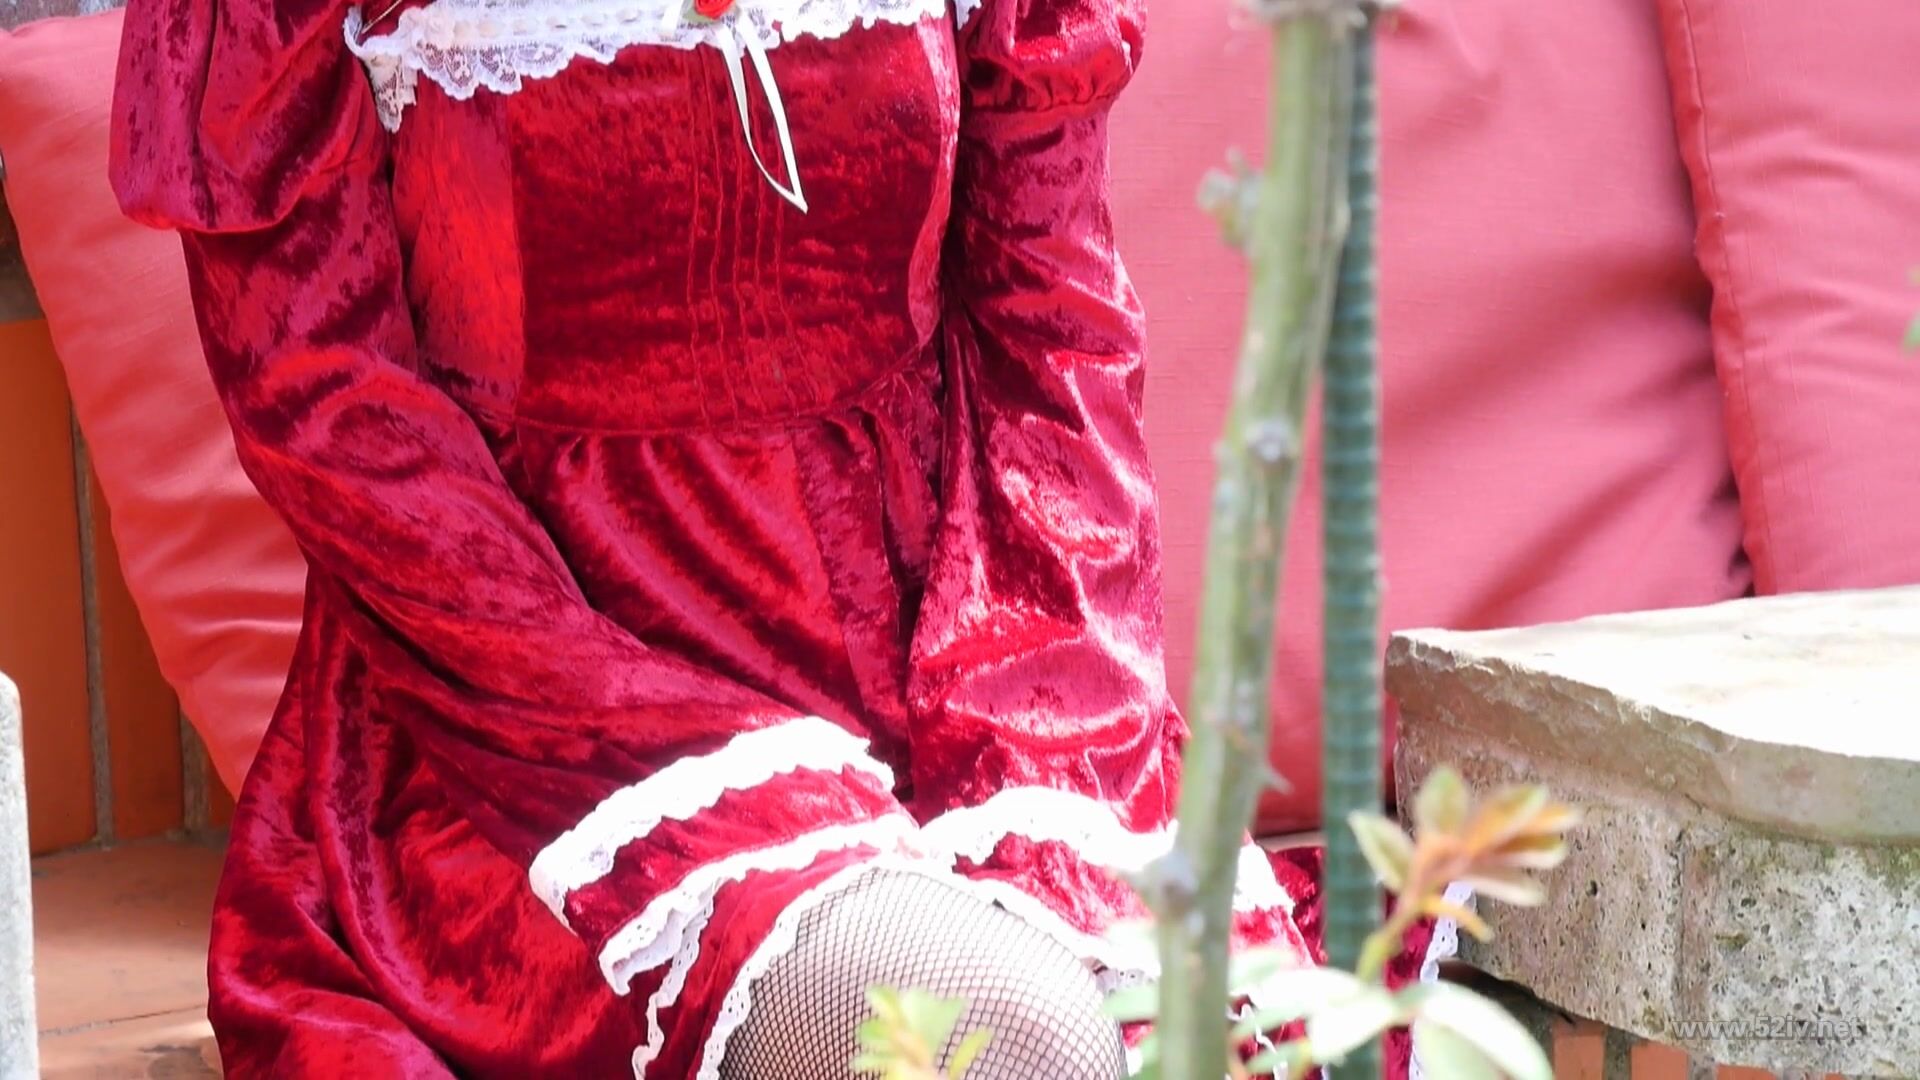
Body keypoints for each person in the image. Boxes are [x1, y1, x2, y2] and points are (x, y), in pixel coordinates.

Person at [111, 0, 1420, 1075]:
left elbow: (1055, 345)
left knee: (1140, 1027)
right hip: (526, 748)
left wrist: (1037, 744)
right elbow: (326, 412)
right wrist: (685, 778)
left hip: (952, 694)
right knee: (995, 1039)